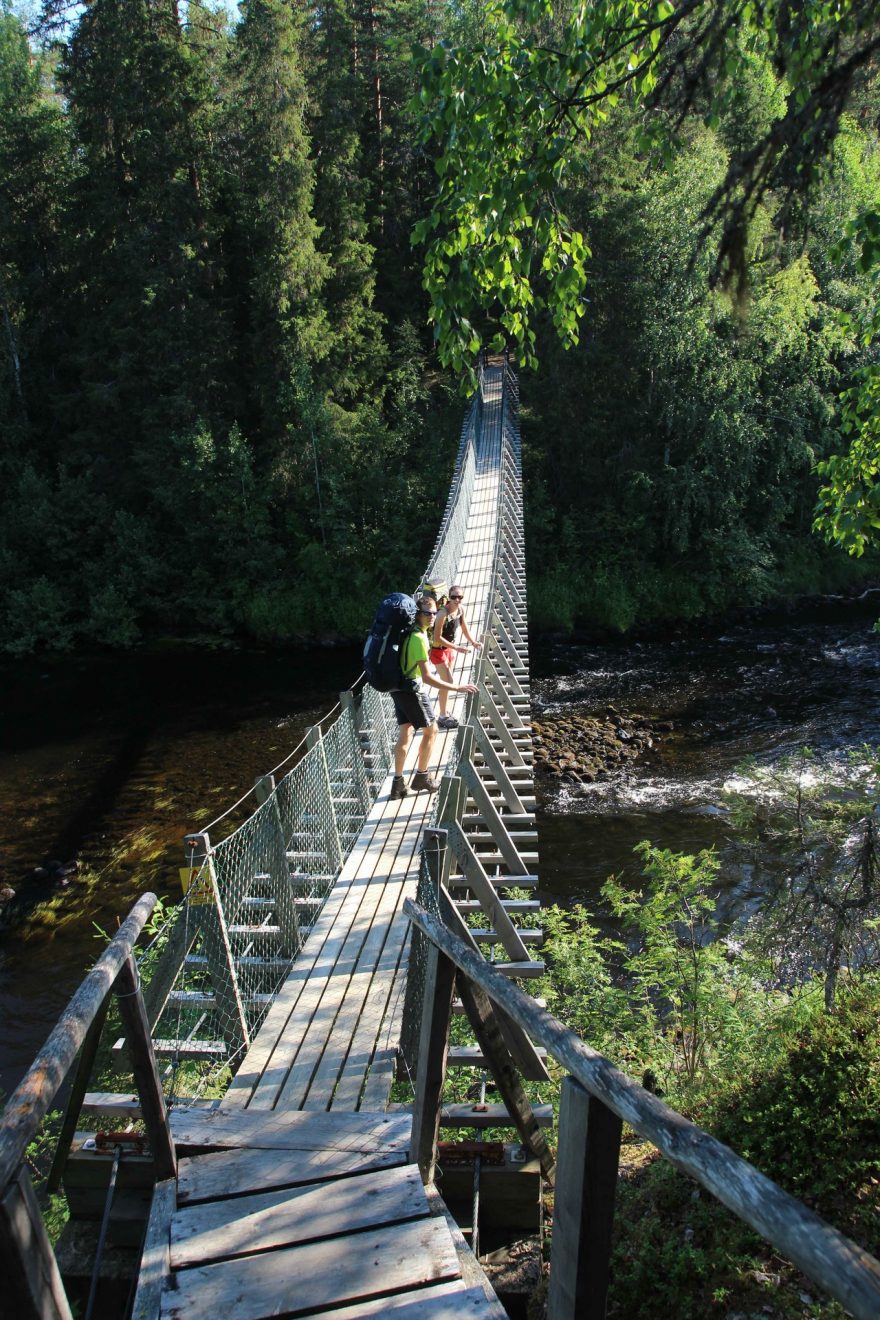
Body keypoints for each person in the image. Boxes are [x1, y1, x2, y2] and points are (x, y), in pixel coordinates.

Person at [390, 596, 478, 799]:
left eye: (434, 612)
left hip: (397, 688)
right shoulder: (419, 638)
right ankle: (422, 777)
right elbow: (428, 678)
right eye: (427, 613)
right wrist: (458, 687)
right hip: (411, 690)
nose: (432, 617)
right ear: (417, 615)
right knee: (432, 731)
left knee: (406, 732)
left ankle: (397, 785)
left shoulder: (408, 633)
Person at [430, 584, 482, 729]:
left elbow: (464, 627)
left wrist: (473, 642)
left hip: (449, 649)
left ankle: (444, 712)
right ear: (449, 597)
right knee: (449, 681)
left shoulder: (460, 609)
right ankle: (442, 716)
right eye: (454, 597)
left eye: (460, 597)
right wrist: (457, 647)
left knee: (446, 682)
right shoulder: (442, 614)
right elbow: (437, 637)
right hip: (437, 650)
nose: (457, 600)